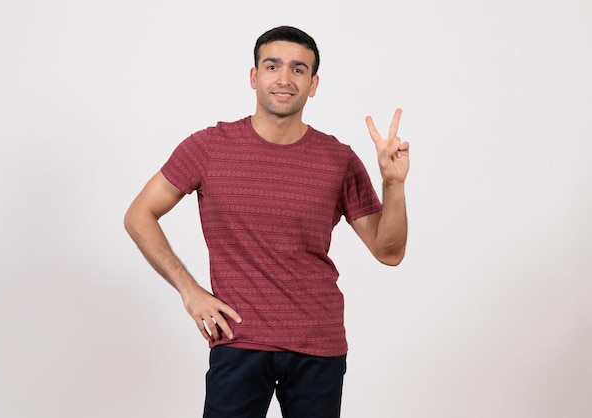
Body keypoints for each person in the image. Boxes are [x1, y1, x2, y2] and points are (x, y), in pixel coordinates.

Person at [124, 25, 409, 418]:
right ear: (254, 76)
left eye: (298, 69)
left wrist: (393, 185)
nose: (284, 78)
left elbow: (388, 251)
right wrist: (189, 291)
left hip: (318, 344)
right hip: (239, 340)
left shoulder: (338, 159)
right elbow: (139, 215)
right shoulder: (209, 146)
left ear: (313, 84)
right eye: (272, 66)